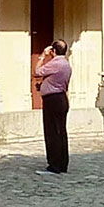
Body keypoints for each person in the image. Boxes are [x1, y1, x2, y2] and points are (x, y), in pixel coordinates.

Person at [34, 41, 71, 176]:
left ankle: (54, 165)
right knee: (61, 132)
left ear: (53, 51)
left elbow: (37, 71)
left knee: (52, 132)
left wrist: (42, 56)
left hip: (53, 100)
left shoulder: (56, 63)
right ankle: (62, 163)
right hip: (61, 98)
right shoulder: (66, 64)